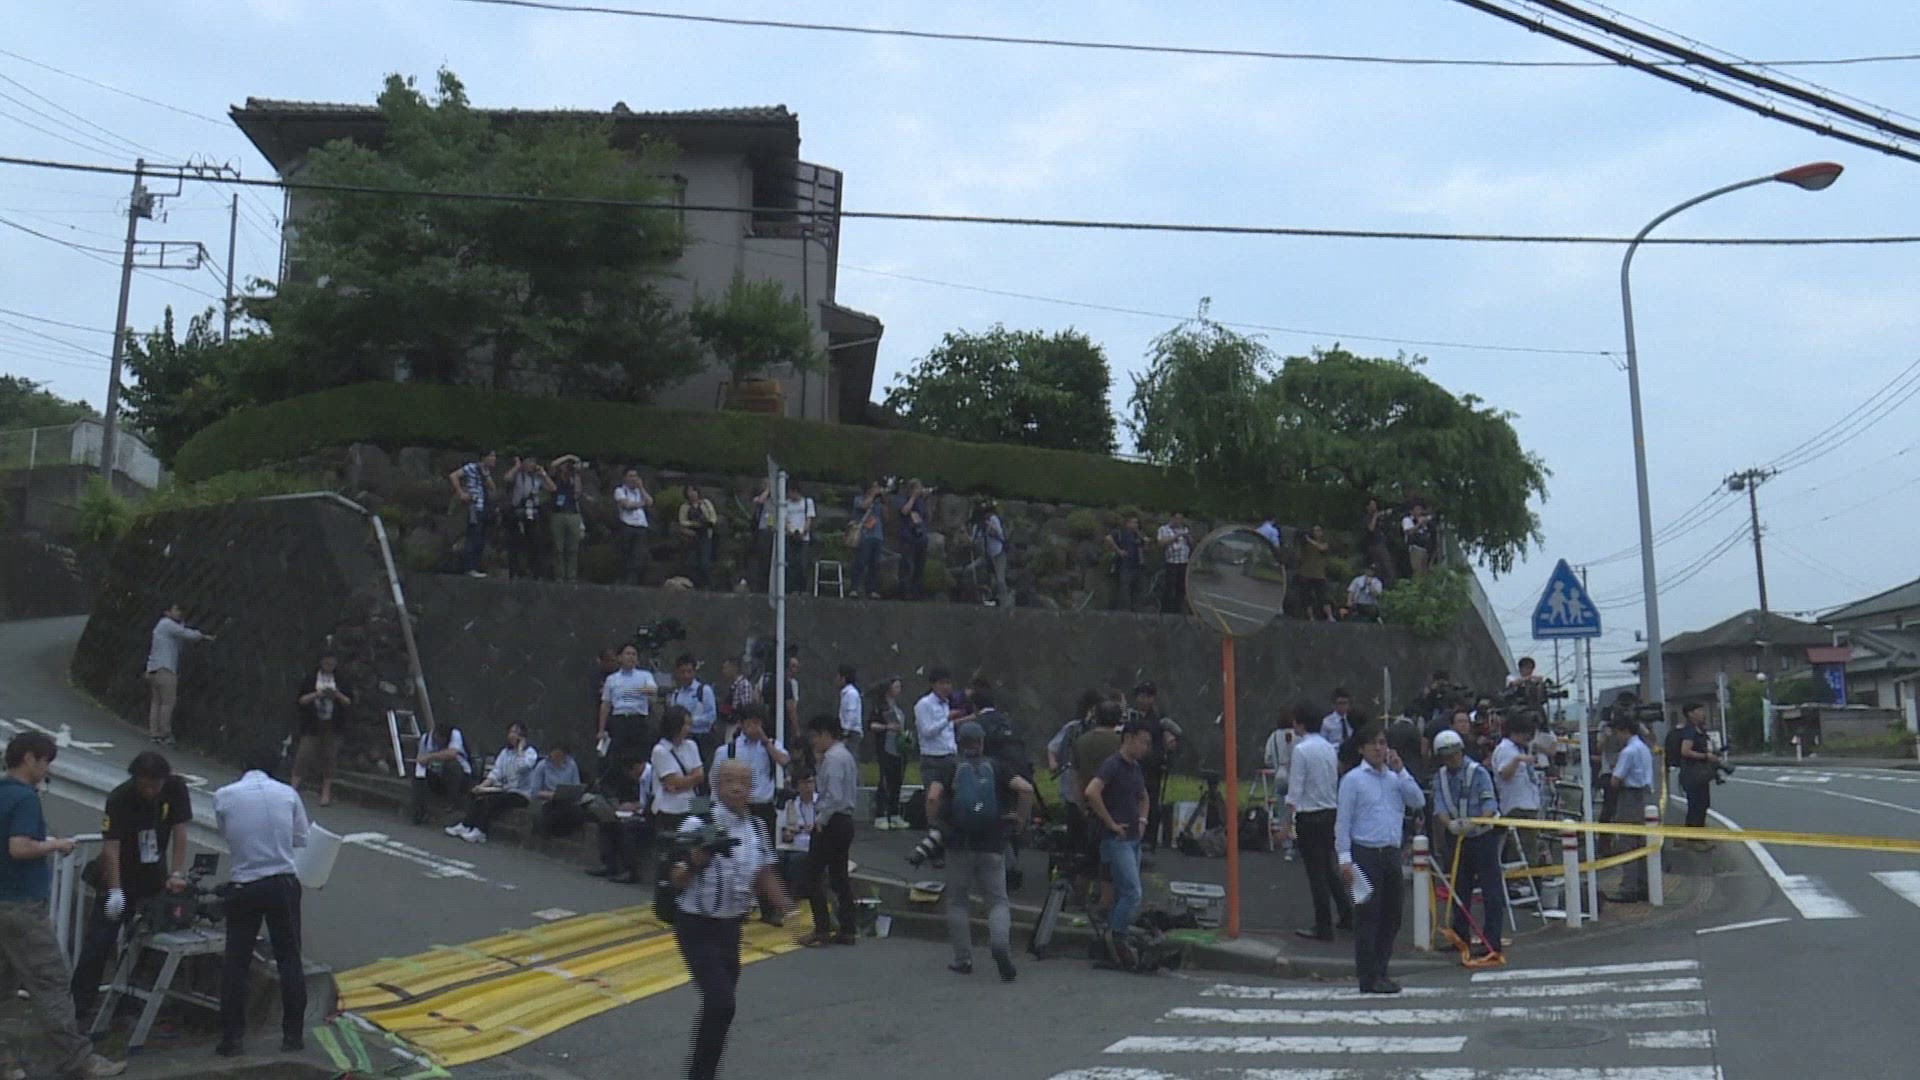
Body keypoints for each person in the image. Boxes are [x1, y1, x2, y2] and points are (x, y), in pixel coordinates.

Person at [0, 732, 128, 1079]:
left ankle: (5, 1061)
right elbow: (19, 847)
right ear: (30, 759)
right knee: (51, 982)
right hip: (23, 905)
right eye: (45, 762)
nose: (47, 770)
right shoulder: (24, 798)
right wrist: (56, 845)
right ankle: (76, 1059)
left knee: (4, 986)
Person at [669, 758, 791, 1080]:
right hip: (696, 925)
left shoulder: (756, 827)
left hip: (730, 927)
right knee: (722, 1003)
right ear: (716, 786)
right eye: (729, 781)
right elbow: (675, 878)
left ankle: (702, 1072)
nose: (737, 788)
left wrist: (787, 908)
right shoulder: (696, 823)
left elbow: (764, 871)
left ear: (752, 788)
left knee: (719, 1009)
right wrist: (696, 861)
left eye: (744, 782)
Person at [70, 751, 193, 1022]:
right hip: (120, 875)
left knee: (146, 942)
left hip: (153, 876)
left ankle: (129, 1003)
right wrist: (115, 890)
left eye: (155, 785)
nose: (150, 791)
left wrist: (176, 872)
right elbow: (111, 847)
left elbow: (180, 831)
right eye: (145, 785)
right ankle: (80, 1006)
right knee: (99, 941)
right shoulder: (120, 798)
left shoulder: (174, 789)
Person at [213, 754, 309, 1057]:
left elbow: (227, 835)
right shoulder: (288, 794)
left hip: (244, 884)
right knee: (289, 958)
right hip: (282, 882)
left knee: (236, 962)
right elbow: (301, 838)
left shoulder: (223, 796)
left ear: (242, 769)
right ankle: (293, 1036)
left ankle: (231, 1039)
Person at [1337, 724, 1425, 994]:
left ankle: (1381, 969)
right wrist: (1344, 858)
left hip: (1390, 852)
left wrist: (1402, 770)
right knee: (1367, 915)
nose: (1378, 748)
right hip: (1364, 853)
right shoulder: (1352, 780)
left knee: (1392, 914)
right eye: (1373, 744)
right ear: (1362, 749)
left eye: (1382, 743)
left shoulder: (1395, 778)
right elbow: (1343, 822)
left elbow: (1418, 801)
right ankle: (1368, 975)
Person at [943, 720, 1027, 981]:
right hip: (992, 844)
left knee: (958, 901)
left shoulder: (951, 767)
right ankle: (1000, 945)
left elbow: (933, 796)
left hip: (959, 844)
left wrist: (935, 824)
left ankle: (963, 958)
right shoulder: (998, 767)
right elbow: (1025, 788)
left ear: (959, 742)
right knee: (997, 901)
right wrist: (1020, 819)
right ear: (982, 743)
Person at [1430, 728, 1504, 957]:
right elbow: (1440, 807)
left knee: (1491, 890)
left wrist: (1474, 822)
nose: (1452, 759)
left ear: (1461, 751)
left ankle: (1492, 941)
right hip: (1458, 838)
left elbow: (1490, 805)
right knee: (1459, 889)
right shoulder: (1441, 778)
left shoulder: (1478, 773)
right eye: (1446, 756)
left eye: (1454, 754)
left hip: (1482, 837)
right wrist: (1450, 824)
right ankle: (1460, 937)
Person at [1083, 719, 1153, 965]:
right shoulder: (1113, 764)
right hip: (1117, 839)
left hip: (1133, 838)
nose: (1145, 748)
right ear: (1129, 738)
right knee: (1133, 892)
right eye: (1143, 742)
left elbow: (1144, 797)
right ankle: (1116, 936)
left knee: (1123, 891)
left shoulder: (1135, 768)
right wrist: (1110, 822)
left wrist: (1143, 820)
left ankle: (1113, 939)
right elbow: (1092, 791)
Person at [1282, 704, 1350, 941]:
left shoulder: (1301, 750)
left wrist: (1286, 823)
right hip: (1330, 812)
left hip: (1309, 814)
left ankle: (1323, 925)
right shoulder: (1329, 748)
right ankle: (1346, 913)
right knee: (1328, 868)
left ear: (1299, 724)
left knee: (1316, 873)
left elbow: (1295, 789)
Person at [799, 715, 859, 947]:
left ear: (826, 734)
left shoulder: (833, 759)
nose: (814, 742)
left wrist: (821, 820)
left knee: (812, 875)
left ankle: (822, 929)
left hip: (831, 821)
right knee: (839, 876)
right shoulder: (845, 755)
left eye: (815, 736)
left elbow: (832, 796)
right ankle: (848, 928)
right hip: (845, 820)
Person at [447, 723, 538, 844]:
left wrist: (520, 749)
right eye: (510, 732)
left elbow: (523, 766)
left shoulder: (530, 753)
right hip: (504, 789)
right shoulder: (505, 752)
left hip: (520, 793)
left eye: (515, 732)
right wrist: (482, 786)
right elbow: (496, 772)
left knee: (491, 801)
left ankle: (481, 831)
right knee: (479, 797)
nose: (511, 735)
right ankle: (466, 825)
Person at [715, 704, 789, 843]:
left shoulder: (772, 745)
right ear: (741, 724)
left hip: (764, 806)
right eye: (751, 723)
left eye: (758, 723)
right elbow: (716, 782)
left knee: (765, 848)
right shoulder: (729, 749)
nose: (755, 727)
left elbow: (784, 760)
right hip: (738, 806)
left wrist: (765, 741)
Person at [145, 602, 212, 746]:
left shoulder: (161, 626)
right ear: (167, 612)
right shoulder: (167, 624)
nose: (179, 612)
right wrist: (202, 636)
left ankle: (154, 733)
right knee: (167, 703)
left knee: (156, 702)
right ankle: (165, 734)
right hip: (166, 669)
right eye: (176, 610)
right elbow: (186, 634)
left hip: (153, 668)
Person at [1606, 712, 1656, 903]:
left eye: (1617, 732)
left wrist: (1613, 773)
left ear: (1623, 730)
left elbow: (1616, 780)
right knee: (1642, 842)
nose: (1617, 737)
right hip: (1645, 795)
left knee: (1627, 843)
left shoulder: (1628, 751)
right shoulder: (1643, 747)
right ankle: (1644, 885)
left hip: (1630, 797)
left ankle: (1628, 888)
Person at [290, 653, 351, 807]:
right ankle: (293, 788)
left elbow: (348, 702)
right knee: (304, 754)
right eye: (326, 663)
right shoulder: (311, 679)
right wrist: (317, 694)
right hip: (312, 723)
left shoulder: (342, 680)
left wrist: (336, 694)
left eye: (332, 664)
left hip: (333, 723)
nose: (329, 666)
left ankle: (326, 792)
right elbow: (301, 700)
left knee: (330, 757)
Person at [1131, 682, 1183, 850]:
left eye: (1147, 696)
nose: (1143, 700)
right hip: (1135, 763)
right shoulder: (1132, 717)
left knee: (1151, 800)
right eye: (1140, 696)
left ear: (1153, 698)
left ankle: (1149, 837)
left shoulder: (1160, 719)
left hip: (1152, 766)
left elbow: (1173, 737)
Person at [587, 755, 654, 884]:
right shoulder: (643, 778)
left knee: (627, 827)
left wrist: (636, 807)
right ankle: (609, 864)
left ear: (636, 767)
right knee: (607, 822)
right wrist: (633, 806)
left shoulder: (652, 776)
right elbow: (644, 801)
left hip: (655, 816)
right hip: (643, 812)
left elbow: (653, 801)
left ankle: (631, 870)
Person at [1492, 713, 1543, 864]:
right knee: (1522, 849)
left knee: (1531, 846)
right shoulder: (1505, 749)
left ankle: (1532, 873)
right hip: (1516, 806)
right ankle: (1523, 876)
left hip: (1529, 803)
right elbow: (1504, 774)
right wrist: (1517, 760)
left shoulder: (1520, 748)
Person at [650, 706, 705, 838]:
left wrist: (683, 783)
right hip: (669, 809)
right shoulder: (660, 750)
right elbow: (674, 782)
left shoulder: (691, 745)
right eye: (685, 724)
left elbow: (700, 775)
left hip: (691, 805)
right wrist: (688, 780)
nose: (688, 728)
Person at [599, 644, 658, 762]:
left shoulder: (645, 675)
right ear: (619, 658)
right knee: (618, 757)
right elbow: (605, 705)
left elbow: (653, 689)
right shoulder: (612, 679)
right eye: (628, 654)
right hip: (619, 720)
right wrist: (601, 730)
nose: (631, 657)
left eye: (634, 654)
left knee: (639, 756)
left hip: (638, 720)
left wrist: (634, 690)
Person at [502, 451, 553, 580]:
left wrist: (543, 474)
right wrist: (516, 466)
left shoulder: (537, 477)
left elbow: (552, 488)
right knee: (515, 542)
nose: (531, 465)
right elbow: (506, 478)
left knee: (535, 542)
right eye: (528, 462)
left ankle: (535, 571)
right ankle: (514, 570)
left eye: (533, 462)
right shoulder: (518, 475)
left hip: (532, 511)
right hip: (518, 510)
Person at [410, 720, 472, 826]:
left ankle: (452, 802)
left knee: (451, 765)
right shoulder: (426, 739)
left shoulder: (455, 735)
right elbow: (420, 759)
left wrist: (430, 757)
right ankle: (419, 812)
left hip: (460, 776)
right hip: (436, 774)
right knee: (418, 779)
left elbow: (451, 754)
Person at [915, 668, 957, 825]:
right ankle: (932, 827)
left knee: (950, 796)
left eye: (948, 683)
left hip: (950, 755)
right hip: (933, 758)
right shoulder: (924, 704)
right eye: (942, 683)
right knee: (933, 797)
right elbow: (926, 731)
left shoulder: (947, 704)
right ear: (933, 685)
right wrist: (947, 719)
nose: (946, 687)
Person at [448, 449, 497, 578]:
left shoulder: (486, 472)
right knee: (473, 537)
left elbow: (493, 488)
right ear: (484, 457)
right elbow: (454, 476)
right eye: (491, 456)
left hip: (484, 507)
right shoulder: (472, 467)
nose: (494, 459)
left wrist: (487, 475)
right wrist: (461, 493)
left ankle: (475, 566)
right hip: (474, 507)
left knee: (480, 538)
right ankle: (470, 567)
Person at [1674, 702, 1720, 832]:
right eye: (1699, 711)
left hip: (1701, 774)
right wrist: (1705, 756)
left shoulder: (1700, 729)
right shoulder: (1689, 730)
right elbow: (1685, 751)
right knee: (1695, 806)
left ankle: (1699, 834)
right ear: (1690, 714)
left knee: (1703, 804)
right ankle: (1693, 836)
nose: (1702, 713)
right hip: (1692, 774)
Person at [870, 678, 908, 830]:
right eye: (896, 686)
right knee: (885, 780)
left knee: (897, 780)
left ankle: (894, 813)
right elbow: (872, 725)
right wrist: (887, 727)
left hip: (899, 748)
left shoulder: (897, 707)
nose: (899, 689)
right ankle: (880, 814)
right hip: (886, 747)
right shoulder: (880, 707)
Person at [1260, 711, 1298, 859]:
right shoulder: (1297, 735)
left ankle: (1287, 845)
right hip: (1295, 776)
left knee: (1283, 811)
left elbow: (1268, 758)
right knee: (1296, 811)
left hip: (1280, 775)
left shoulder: (1273, 737)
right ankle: (1297, 840)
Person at [670, 654, 720, 760]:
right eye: (682, 672)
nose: (686, 675)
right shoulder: (676, 695)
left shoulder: (704, 690)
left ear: (694, 672)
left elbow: (711, 716)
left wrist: (690, 721)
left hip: (702, 738)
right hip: (682, 739)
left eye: (689, 671)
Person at [547, 455, 587, 583]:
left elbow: (578, 493)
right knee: (558, 547)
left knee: (572, 548)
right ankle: (559, 575)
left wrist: (575, 469)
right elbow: (552, 465)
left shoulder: (574, 478)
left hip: (573, 513)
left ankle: (571, 576)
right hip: (558, 513)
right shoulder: (555, 477)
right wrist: (567, 457)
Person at [529, 743, 584, 836]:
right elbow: (534, 791)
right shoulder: (542, 766)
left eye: (561, 756)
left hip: (566, 800)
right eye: (555, 756)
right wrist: (550, 795)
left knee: (576, 812)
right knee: (553, 813)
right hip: (548, 800)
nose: (558, 759)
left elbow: (576, 785)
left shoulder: (572, 765)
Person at [614, 468, 653, 586]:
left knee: (638, 555)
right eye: (630, 476)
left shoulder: (639, 492)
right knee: (626, 553)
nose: (634, 479)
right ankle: (623, 580)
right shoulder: (620, 490)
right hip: (627, 525)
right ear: (625, 478)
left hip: (641, 526)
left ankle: (633, 581)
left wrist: (641, 488)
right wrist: (641, 504)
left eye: (635, 476)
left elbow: (650, 502)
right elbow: (626, 504)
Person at [849, 481, 887, 598]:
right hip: (864, 535)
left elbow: (886, 517)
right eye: (875, 487)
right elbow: (864, 506)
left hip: (877, 535)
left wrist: (883, 500)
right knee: (860, 562)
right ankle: (855, 588)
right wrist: (871, 495)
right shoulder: (859, 499)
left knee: (875, 564)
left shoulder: (878, 502)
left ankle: (871, 589)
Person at [678, 484, 720, 590]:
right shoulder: (685, 506)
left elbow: (712, 516)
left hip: (705, 534)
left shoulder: (705, 503)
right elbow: (682, 521)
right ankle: (696, 585)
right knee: (692, 562)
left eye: (694, 491)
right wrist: (692, 524)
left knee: (705, 562)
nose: (692, 494)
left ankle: (708, 585)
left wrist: (708, 523)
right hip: (691, 536)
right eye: (689, 491)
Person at [897, 479, 932, 599]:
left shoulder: (921, 502)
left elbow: (928, 517)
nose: (920, 490)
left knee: (919, 565)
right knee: (907, 565)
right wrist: (912, 497)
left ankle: (917, 591)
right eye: (917, 488)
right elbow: (904, 511)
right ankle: (904, 591)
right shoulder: (903, 499)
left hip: (921, 537)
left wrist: (927, 501)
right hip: (908, 536)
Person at [1105, 514, 1147, 611]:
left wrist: (1145, 541)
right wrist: (1118, 550)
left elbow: (1144, 547)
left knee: (1138, 589)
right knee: (1125, 588)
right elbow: (1108, 538)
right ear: (1127, 523)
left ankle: (1136, 609)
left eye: (1137, 523)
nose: (1136, 525)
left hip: (1138, 565)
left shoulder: (1138, 534)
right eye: (1134, 522)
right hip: (1125, 565)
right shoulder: (1120, 532)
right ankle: (1125, 609)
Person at [781, 483, 817, 594]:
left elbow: (809, 519)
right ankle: (792, 588)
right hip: (790, 535)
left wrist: (803, 532)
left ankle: (803, 588)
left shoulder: (807, 502)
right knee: (791, 563)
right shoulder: (786, 503)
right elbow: (784, 519)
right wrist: (790, 531)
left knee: (803, 563)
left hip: (803, 537)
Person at [975, 499, 1011, 607]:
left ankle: (1005, 603)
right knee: (984, 577)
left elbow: (999, 534)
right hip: (987, 555)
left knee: (1000, 580)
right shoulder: (978, 524)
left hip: (998, 553)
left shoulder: (994, 519)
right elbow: (976, 539)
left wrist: (991, 528)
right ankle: (987, 600)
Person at [1156, 511, 1193, 613]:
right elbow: (1161, 543)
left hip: (1183, 561)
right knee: (1169, 586)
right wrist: (1176, 536)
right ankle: (1166, 609)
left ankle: (1178, 609)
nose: (1179, 521)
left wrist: (1187, 537)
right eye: (1177, 519)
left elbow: (1191, 543)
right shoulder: (1164, 529)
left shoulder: (1185, 529)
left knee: (1181, 587)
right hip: (1171, 562)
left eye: (1181, 519)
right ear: (1172, 519)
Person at [1295, 524, 1334, 621]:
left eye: (1318, 530)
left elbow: (1322, 548)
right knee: (1307, 597)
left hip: (1319, 574)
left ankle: (1329, 616)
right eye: (1315, 531)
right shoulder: (1305, 544)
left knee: (1324, 597)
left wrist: (1310, 540)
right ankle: (1310, 617)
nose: (1316, 532)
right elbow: (1298, 556)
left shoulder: (1324, 543)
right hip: (1306, 573)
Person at [1362, 497, 1396, 588]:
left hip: (1383, 544)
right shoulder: (1367, 518)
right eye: (1372, 505)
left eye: (1375, 504)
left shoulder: (1380, 518)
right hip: (1375, 545)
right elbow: (1371, 529)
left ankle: (1388, 586)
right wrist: (1375, 517)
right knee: (1381, 567)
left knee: (1388, 567)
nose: (1374, 506)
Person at [836, 665, 863, 757]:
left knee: (851, 757)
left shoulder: (851, 694)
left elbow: (851, 713)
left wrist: (845, 731)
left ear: (843, 678)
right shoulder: (845, 693)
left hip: (851, 732)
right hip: (848, 731)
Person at [1402, 500, 1434, 578]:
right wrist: (1419, 524)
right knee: (1417, 571)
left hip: (1424, 548)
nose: (1419, 511)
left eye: (1420, 509)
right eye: (1417, 509)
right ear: (1412, 511)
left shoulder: (1422, 520)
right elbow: (1409, 532)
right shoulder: (1407, 520)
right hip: (1415, 548)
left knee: (1425, 572)